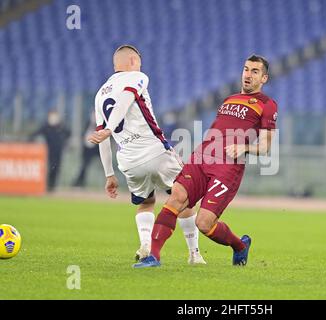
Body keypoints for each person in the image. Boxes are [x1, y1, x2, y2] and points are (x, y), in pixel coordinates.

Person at [120, 54, 278, 268]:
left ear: (264, 78)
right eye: (246, 69)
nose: (248, 75)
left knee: (203, 223)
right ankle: (154, 257)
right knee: (175, 197)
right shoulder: (229, 99)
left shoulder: (267, 105)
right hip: (202, 157)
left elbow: (266, 146)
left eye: (255, 71)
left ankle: (240, 246)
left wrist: (245, 147)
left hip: (228, 166)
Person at [88, 45, 206, 266]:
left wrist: (109, 174)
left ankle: (145, 245)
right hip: (155, 151)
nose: (141, 64)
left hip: (128, 161)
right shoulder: (137, 77)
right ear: (133, 60)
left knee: (146, 203)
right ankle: (194, 254)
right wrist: (110, 128)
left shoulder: (99, 93)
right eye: (139, 60)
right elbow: (125, 98)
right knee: (185, 198)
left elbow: (101, 137)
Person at [30, 110, 70, 192]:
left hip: (58, 151)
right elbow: (36, 133)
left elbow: (68, 133)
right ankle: (48, 185)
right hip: (49, 151)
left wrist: (65, 142)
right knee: (50, 168)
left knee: (56, 168)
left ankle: (52, 185)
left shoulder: (61, 126)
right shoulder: (46, 126)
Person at [72, 111, 99, 187]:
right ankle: (79, 182)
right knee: (84, 166)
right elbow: (84, 135)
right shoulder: (87, 123)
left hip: (96, 150)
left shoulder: (101, 125)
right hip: (87, 149)